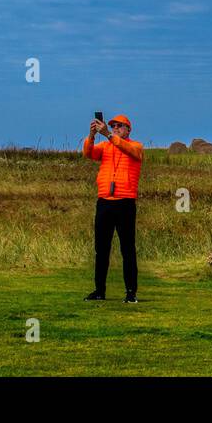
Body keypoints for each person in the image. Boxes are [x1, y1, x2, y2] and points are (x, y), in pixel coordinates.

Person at [82, 114, 143, 303]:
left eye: (119, 125)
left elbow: (131, 151)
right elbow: (88, 153)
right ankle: (99, 291)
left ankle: (131, 292)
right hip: (104, 202)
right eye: (112, 125)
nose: (115, 127)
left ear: (128, 129)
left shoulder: (136, 146)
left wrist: (109, 135)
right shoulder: (105, 147)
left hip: (125, 202)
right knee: (101, 249)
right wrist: (92, 136)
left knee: (127, 249)